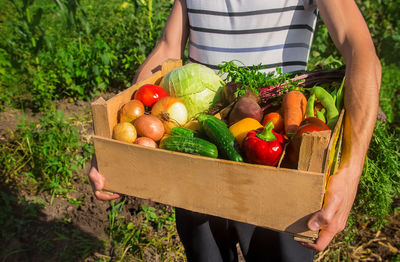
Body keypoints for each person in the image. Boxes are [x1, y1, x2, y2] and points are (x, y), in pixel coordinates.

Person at [89, 0, 381, 260]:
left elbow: (361, 51)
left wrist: (351, 173)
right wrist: (117, 129)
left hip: (280, 161)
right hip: (199, 153)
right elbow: (167, 47)